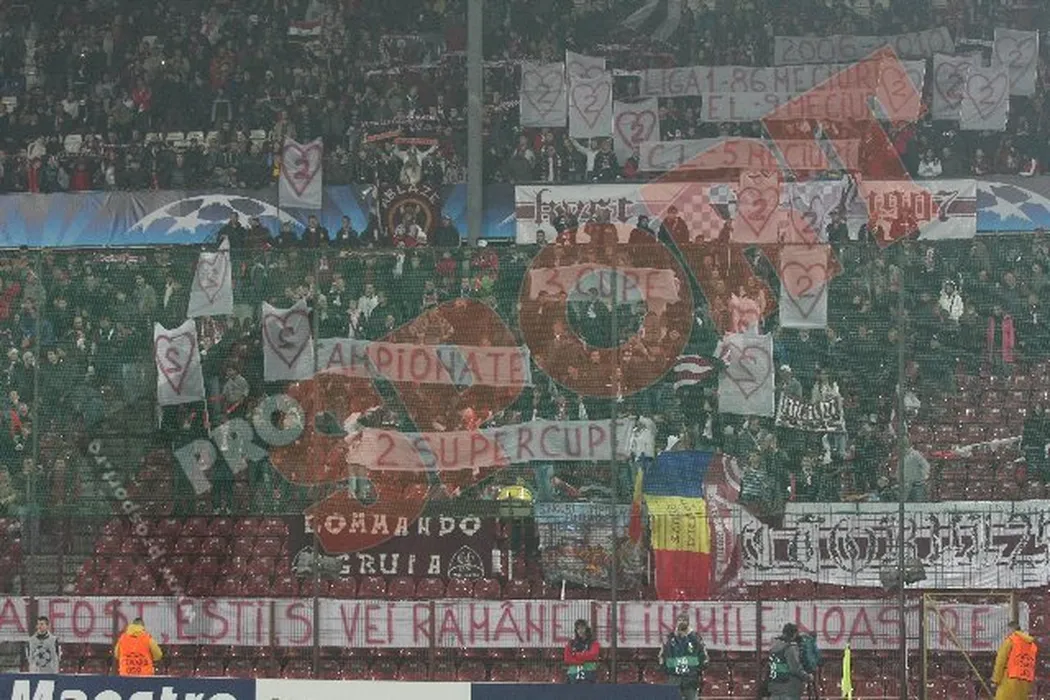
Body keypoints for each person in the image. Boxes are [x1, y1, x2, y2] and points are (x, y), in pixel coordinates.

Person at [659, 612, 707, 699]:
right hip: (674, 679)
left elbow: (704, 657)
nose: (682, 622)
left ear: (688, 623)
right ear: (676, 622)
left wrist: (696, 671)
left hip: (691, 680)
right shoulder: (669, 638)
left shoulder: (696, 638)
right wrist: (668, 670)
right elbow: (662, 657)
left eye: (684, 620)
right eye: (680, 620)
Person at [764, 623, 812, 700]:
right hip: (789, 687)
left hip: (775, 685)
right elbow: (795, 668)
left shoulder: (773, 647)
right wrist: (807, 677)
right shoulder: (789, 648)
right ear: (794, 634)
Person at [992, 620, 1037, 700]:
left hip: (1009, 680)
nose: (1006, 634)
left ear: (1011, 629)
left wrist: (996, 680)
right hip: (1025, 682)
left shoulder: (1010, 641)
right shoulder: (1032, 645)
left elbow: (1000, 661)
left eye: (1007, 631)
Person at [563, 619, 600, 683]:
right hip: (573, 675)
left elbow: (593, 655)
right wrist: (582, 660)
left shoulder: (593, 643)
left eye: (582, 628)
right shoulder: (571, 643)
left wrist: (575, 655)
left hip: (588, 674)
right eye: (578, 628)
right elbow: (567, 659)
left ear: (586, 629)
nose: (580, 630)